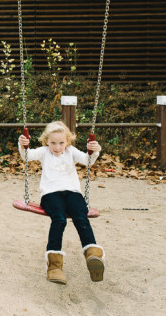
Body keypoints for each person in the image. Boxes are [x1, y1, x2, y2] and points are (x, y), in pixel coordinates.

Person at [18, 121, 105, 284]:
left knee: (81, 216)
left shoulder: (71, 152)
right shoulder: (44, 152)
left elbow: (87, 160)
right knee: (59, 219)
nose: (57, 147)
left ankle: (92, 254)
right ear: (46, 142)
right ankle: (54, 267)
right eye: (53, 143)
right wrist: (23, 145)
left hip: (72, 192)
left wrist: (94, 150)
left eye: (61, 143)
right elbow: (27, 156)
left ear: (67, 142)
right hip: (51, 194)